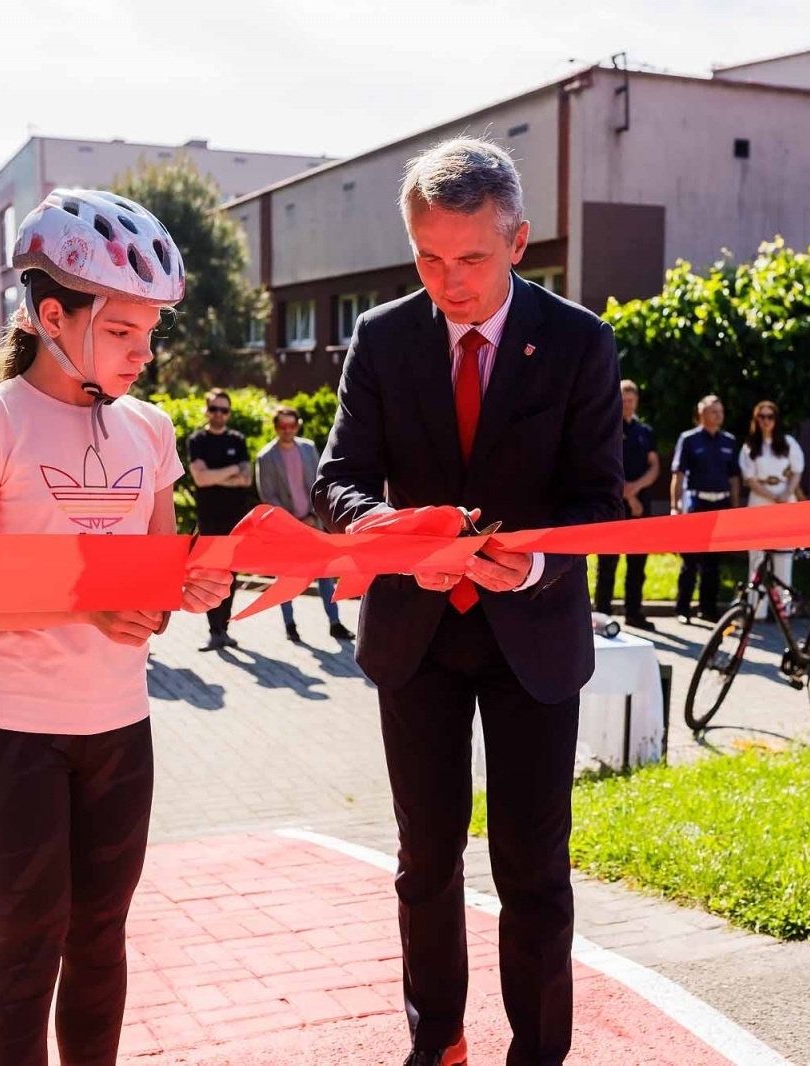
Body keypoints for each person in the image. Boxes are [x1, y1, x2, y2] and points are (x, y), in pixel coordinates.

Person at [313, 138, 623, 1066]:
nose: (448, 280)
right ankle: (435, 1041)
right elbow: (339, 481)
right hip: (417, 637)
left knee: (534, 869)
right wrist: (396, 534)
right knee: (425, 862)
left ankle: (538, 1053)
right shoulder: (380, 337)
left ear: (519, 240)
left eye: (472, 258)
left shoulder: (579, 342)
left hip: (532, 636)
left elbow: (599, 502)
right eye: (428, 257)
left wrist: (527, 567)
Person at [0, 188, 232, 1066]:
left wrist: (191, 591)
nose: (145, 354)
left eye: (152, 334)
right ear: (51, 314)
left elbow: (156, 578)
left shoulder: (150, 429)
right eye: (125, 332)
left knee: (101, 940)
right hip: (14, 731)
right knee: (27, 951)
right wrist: (86, 601)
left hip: (119, 727)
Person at [254, 405, 356, 643]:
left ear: (297, 425)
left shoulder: (309, 448)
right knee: (286, 578)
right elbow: (268, 495)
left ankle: (335, 623)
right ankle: (290, 626)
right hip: (286, 530)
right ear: (276, 427)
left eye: (292, 425)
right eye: (282, 426)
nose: (287, 430)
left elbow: (321, 482)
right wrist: (292, 522)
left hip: (313, 524)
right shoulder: (265, 457)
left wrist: (313, 514)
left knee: (325, 577)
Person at [187, 388, 253, 648]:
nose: (218, 414)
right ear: (206, 410)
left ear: (229, 414)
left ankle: (224, 629)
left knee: (231, 577)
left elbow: (247, 479)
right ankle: (213, 630)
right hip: (209, 520)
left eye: (223, 410)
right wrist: (233, 471)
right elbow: (200, 479)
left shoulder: (237, 440)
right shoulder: (197, 441)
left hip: (235, 522)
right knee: (209, 575)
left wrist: (217, 475)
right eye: (214, 409)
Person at [594, 380, 660, 629]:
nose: (628, 403)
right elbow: (603, 463)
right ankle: (602, 615)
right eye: (624, 398)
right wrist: (627, 495)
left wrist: (636, 490)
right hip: (612, 504)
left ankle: (634, 612)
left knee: (637, 562)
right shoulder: (606, 427)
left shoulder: (645, 431)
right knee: (607, 562)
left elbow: (654, 466)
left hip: (641, 505)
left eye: (632, 399)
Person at [670, 395, 740, 624]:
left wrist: (735, 508)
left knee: (713, 563)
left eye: (720, 412)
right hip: (696, 504)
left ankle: (708, 609)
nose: (718, 416)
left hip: (720, 505)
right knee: (690, 561)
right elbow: (678, 475)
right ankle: (683, 609)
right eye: (713, 412)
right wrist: (674, 506)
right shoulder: (689, 439)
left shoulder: (729, 441)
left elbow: (734, 478)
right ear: (702, 414)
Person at [738, 399, 803, 618]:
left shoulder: (787, 443)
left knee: (784, 555)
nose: (766, 421)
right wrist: (772, 495)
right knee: (757, 555)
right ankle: (757, 609)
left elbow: (797, 470)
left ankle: (783, 609)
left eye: (770, 417)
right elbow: (749, 478)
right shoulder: (750, 446)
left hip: (785, 499)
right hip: (760, 500)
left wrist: (786, 494)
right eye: (762, 417)